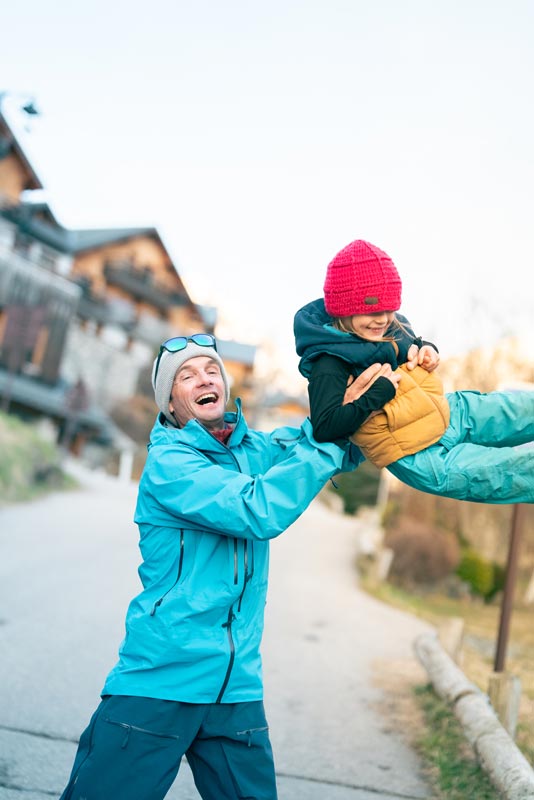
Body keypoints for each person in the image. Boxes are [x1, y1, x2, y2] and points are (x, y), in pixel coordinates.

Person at [59, 333, 364, 800]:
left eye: (210, 370)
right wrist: (326, 445)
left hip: (235, 687)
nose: (203, 378)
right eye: (186, 375)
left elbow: (328, 438)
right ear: (171, 405)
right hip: (163, 679)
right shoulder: (170, 464)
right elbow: (257, 509)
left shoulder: (255, 449)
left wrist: (361, 395)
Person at [294, 238, 534, 504]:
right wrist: (375, 395)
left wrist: (426, 350)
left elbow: (413, 342)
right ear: (344, 309)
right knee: (505, 472)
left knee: (511, 409)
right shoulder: (330, 361)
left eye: (389, 309)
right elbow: (325, 427)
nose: (383, 319)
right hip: (416, 454)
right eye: (372, 310)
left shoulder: (388, 327)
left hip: (446, 410)